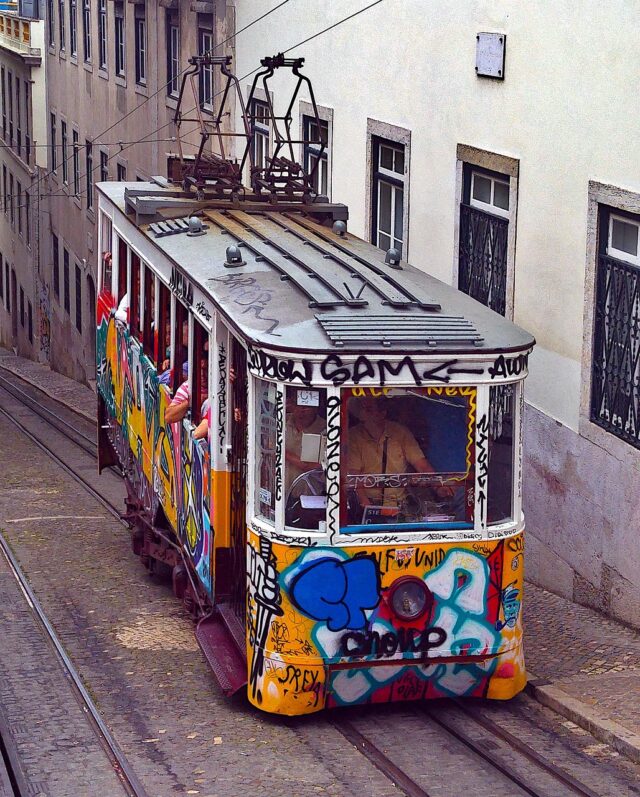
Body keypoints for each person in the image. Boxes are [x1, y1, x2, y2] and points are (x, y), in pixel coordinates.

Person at [348, 396, 453, 511]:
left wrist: (438, 487)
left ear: (382, 413)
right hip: (368, 502)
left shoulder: (400, 432)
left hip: (398, 504)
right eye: (361, 410)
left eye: (368, 410)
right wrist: (366, 505)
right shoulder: (353, 436)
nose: (363, 415)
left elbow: (422, 465)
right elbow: (354, 476)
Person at [285, 390, 325, 493]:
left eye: (307, 407)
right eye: (297, 405)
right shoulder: (281, 422)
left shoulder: (325, 429)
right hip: (281, 493)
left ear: (316, 407)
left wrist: (282, 452)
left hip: (310, 495)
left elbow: (315, 467)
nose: (301, 410)